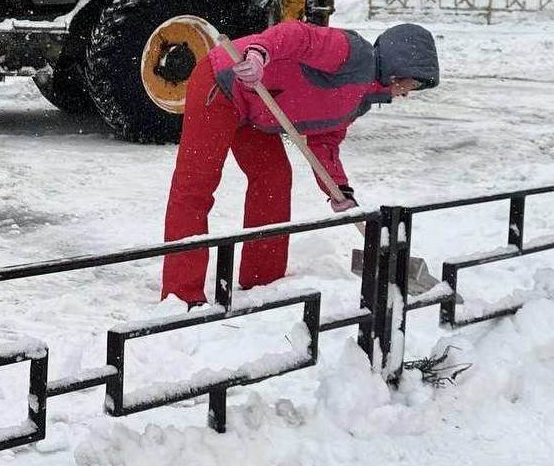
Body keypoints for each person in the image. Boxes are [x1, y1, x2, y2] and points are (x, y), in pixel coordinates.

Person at [161, 20, 440, 306]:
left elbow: (325, 141)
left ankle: (262, 278)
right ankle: (182, 295)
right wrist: (259, 53)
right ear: (401, 64)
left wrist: (339, 189)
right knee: (195, 185)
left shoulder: (362, 100)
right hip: (223, 82)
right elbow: (297, 35)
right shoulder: (353, 53)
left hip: (258, 109)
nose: (408, 91)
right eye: (413, 82)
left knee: (274, 180)